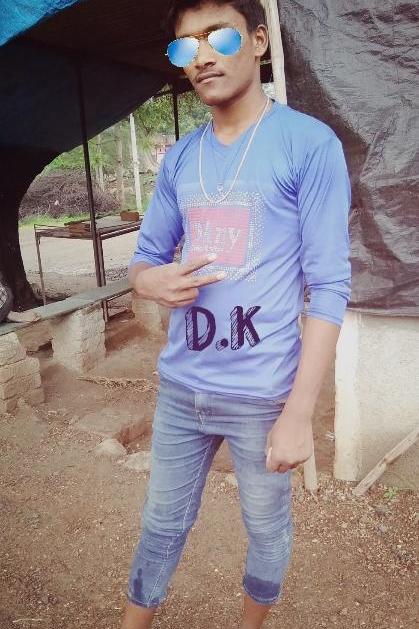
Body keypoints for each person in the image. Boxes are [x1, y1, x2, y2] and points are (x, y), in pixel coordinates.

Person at [122, 1, 351, 627]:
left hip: (262, 395)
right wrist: (150, 281)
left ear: (258, 41)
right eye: (184, 46)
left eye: (217, 37)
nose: (200, 56)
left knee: (266, 528)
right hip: (181, 386)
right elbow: (144, 259)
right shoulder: (179, 158)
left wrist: (299, 414)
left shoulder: (307, 144)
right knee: (161, 524)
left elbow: (329, 286)